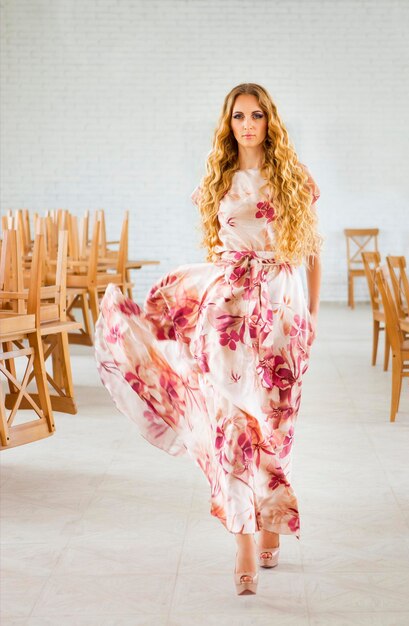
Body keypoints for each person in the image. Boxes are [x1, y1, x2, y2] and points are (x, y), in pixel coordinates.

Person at [94, 82, 322, 596]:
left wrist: (313, 314)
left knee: (276, 423)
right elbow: (219, 251)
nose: (248, 124)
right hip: (231, 312)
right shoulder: (218, 181)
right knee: (233, 422)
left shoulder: (294, 179)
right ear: (228, 124)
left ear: (270, 122)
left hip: (284, 312)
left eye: (257, 115)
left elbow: (312, 250)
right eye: (239, 116)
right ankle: (243, 541)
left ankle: (272, 520)